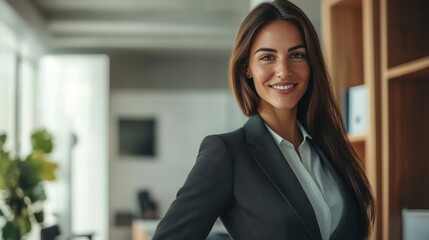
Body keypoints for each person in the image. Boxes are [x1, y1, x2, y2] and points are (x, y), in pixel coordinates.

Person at [153, 1, 375, 239]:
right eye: (268, 57)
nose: (283, 70)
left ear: (311, 64)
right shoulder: (226, 153)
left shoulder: (329, 146)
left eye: (297, 55)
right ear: (247, 68)